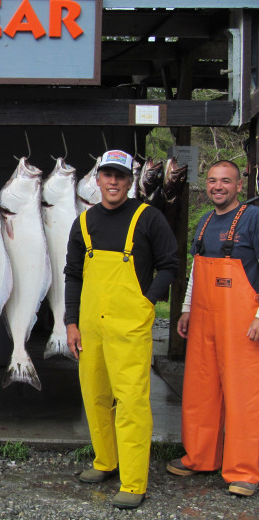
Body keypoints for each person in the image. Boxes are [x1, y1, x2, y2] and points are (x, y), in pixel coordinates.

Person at [65, 150, 178, 509]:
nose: (113, 182)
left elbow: (170, 266)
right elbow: (73, 274)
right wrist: (70, 321)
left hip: (130, 325)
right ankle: (105, 461)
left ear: (130, 182)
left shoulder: (149, 218)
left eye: (121, 176)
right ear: (96, 180)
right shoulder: (83, 223)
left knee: (131, 403)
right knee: (95, 396)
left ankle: (133, 481)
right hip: (90, 326)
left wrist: (148, 302)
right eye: (107, 175)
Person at [168, 160, 259, 497]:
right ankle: (200, 457)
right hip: (204, 316)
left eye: (226, 181)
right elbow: (195, 270)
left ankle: (244, 471)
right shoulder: (204, 222)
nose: (217, 186)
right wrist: (188, 309)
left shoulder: (253, 218)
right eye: (212, 181)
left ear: (238, 185)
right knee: (200, 389)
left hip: (242, 319)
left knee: (243, 395)